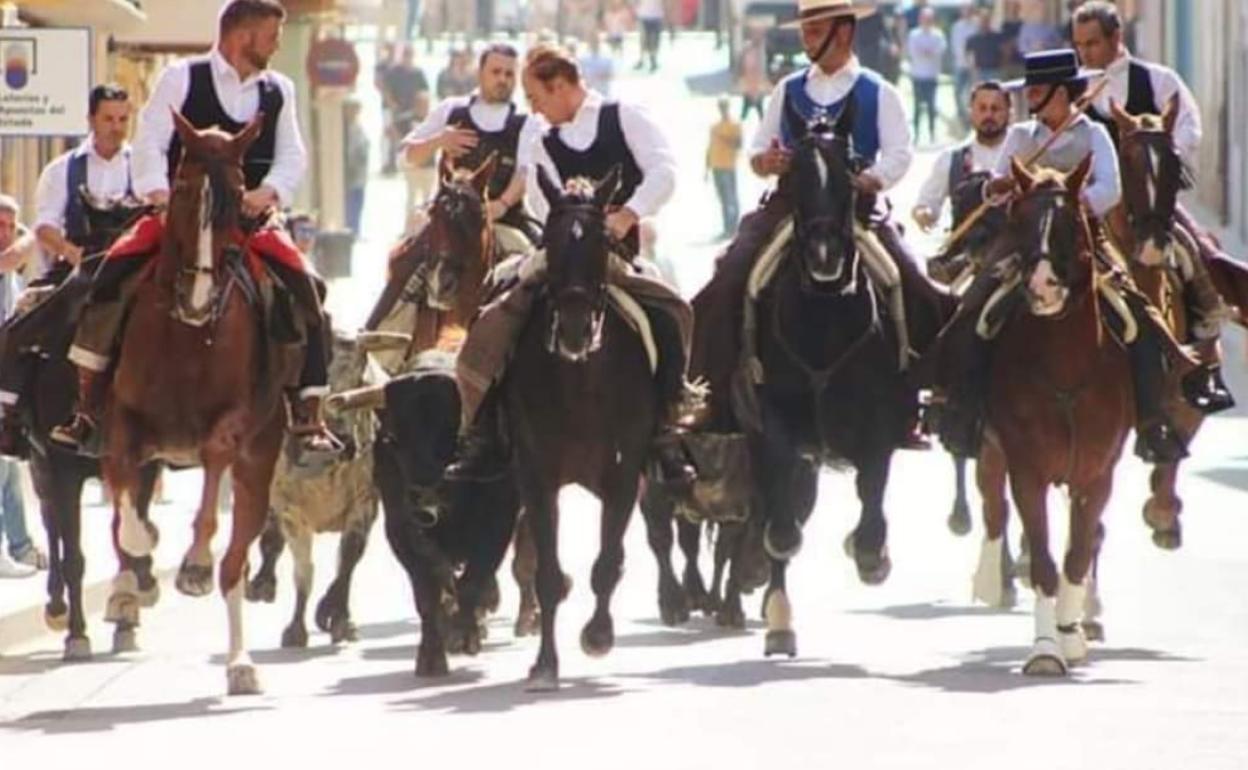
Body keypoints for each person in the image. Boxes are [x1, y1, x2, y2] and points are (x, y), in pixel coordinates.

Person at [52, 0, 339, 455]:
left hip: (249, 222)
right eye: (271, 36)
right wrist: (160, 196)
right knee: (106, 275)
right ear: (243, 35)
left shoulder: (278, 88)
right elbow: (149, 145)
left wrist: (267, 194)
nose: (276, 45)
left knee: (310, 289)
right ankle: (87, 405)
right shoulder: (180, 78)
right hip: (177, 218)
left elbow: (292, 155)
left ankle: (308, 410)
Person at [936, 50, 1221, 463]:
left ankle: (1151, 419)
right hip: (1024, 244)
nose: (1030, 94)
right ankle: (963, 408)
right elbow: (999, 182)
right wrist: (997, 189)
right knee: (975, 307)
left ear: (1061, 92)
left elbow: (1112, 188)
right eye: (1030, 88)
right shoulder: (1019, 137)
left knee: (1135, 316)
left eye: (1036, 88)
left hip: (1084, 242)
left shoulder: (1093, 135)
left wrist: (1068, 204)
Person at [446, 43, 697, 485]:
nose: (532, 107)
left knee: (671, 308)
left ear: (559, 85)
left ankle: (667, 428)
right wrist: (569, 228)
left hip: (618, 253)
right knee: (496, 307)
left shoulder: (624, 117)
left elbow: (665, 171)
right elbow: (541, 200)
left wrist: (626, 214)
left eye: (536, 96)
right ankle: (483, 426)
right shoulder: (542, 139)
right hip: (560, 253)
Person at [692, 0, 946, 435]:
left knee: (913, 281)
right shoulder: (787, 89)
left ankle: (919, 394)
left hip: (856, 205)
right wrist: (767, 161)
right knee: (728, 277)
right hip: (790, 204)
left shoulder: (877, 89)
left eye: (815, 30)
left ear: (843, 34)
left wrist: (872, 179)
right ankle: (713, 396)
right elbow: (756, 153)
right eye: (806, 30)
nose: (805, 39)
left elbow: (900, 152)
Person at [1072, 0, 1233, 404]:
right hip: (1090, 201)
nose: (1085, 53)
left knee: (1194, 250)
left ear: (1116, 38)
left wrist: (1157, 167)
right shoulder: (1072, 88)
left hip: (1147, 203)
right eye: (1079, 44)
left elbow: (1188, 130)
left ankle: (1205, 348)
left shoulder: (1158, 81)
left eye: (1092, 43)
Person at [0, 85, 137, 455]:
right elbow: (45, 226)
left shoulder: (142, 167)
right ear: (92, 119)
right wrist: (70, 251)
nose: (116, 127)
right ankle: (10, 415)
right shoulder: (62, 169)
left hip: (132, 269)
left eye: (123, 119)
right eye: (108, 119)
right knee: (19, 326)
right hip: (78, 267)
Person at [401, 42, 542, 248]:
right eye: (495, 72)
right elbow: (408, 157)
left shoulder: (527, 122)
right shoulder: (451, 110)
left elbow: (525, 171)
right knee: (404, 263)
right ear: (480, 73)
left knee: (539, 265)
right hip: (446, 220)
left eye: (509, 74)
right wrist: (439, 140)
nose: (502, 79)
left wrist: (502, 204)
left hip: (503, 221)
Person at [0, 194, 46, 577]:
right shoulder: (8, 263)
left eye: (7, 227)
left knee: (9, 467)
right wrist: (27, 236)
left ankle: (19, 544)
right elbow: (21, 249)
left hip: (5, 380)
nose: (3, 234)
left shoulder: (13, 278)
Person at [912, 81, 1010, 236]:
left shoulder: (1024, 153)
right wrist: (925, 214)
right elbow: (925, 204)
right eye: (982, 108)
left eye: (995, 109)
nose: (989, 115)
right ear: (971, 112)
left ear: (1008, 112)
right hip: (966, 251)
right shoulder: (952, 159)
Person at [906, 7, 946, 145]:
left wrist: (926, 52)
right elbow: (913, 52)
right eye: (925, 18)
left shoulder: (938, 35)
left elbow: (939, 51)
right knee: (917, 107)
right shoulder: (914, 34)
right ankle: (916, 135)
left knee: (931, 106)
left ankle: (932, 133)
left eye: (929, 19)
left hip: (932, 75)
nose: (927, 21)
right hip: (917, 75)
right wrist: (927, 52)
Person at [706, 96, 742, 239]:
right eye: (720, 106)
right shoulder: (714, 126)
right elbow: (710, 146)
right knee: (722, 198)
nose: (722, 109)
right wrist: (706, 166)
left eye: (724, 106)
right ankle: (727, 227)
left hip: (728, 165)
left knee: (731, 197)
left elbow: (738, 144)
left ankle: (735, 228)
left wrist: (724, 138)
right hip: (716, 165)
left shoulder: (735, 126)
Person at [344, 97, 370, 236]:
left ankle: (355, 229)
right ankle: (349, 228)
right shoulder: (343, 128)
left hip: (359, 172)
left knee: (358, 202)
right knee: (349, 202)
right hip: (348, 172)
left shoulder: (358, 127)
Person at [950, 4, 979, 130]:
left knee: (971, 93)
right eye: (965, 10)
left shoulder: (976, 26)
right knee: (957, 92)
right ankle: (963, 118)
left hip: (974, 66)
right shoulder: (956, 27)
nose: (967, 12)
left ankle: (971, 119)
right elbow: (954, 45)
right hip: (960, 65)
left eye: (969, 10)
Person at [966, 8, 1007, 85]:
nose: (984, 22)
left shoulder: (997, 37)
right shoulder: (973, 39)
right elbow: (970, 57)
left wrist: (1001, 67)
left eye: (986, 20)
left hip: (995, 71)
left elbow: (1005, 52)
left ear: (990, 21)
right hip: (980, 72)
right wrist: (973, 73)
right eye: (982, 20)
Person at [738, 39, 770, 121]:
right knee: (752, 107)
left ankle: (761, 123)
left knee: (756, 107)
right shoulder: (752, 56)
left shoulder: (755, 56)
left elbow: (756, 70)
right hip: (752, 85)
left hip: (754, 85)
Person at [577, 32, 616, 97]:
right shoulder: (583, 58)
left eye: (596, 41)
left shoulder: (606, 57)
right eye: (592, 41)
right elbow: (581, 76)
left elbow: (611, 75)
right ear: (589, 42)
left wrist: (600, 76)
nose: (594, 43)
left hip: (603, 93)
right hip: (589, 95)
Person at [635, 0, 665, 73]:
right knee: (643, 39)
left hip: (656, 17)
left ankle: (653, 60)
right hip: (643, 16)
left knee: (654, 40)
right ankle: (642, 59)